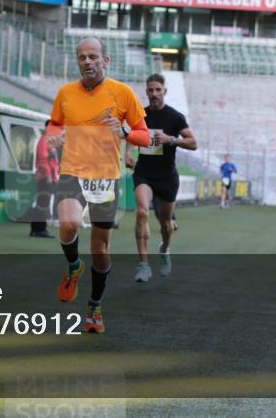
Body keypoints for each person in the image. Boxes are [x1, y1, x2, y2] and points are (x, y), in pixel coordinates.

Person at [46, 37, 150, 334]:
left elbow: (144, 136)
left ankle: (94, 306)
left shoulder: (122, 93)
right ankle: (74, 265)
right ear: (77, 62)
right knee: (68, 224)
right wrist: (53, 134)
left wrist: (125, 131)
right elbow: (54, 123)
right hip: (72, 172)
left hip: (105, 177)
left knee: (101, 249)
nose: (87, 62)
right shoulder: (66, 93)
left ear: (105, 61)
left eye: (93, 57)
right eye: (82, 57)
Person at [126, 74, 197, 282]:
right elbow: (132, 135)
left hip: (166, 177)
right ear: (146, 92)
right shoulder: (140, 115)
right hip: (144, 173)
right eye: (151, 90)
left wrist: (171, 139)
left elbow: (193, 143)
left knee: (166, 223)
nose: (154, 94)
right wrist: (128, 153)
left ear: (164, 91)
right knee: (141, 211)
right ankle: (144, 265)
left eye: (158, 90)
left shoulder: (175, 117)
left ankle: (164, 250)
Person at [30, 120, 58, 238]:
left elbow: (52, 161)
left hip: (49, 177)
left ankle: (36, 229)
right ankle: (40, 229)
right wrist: (48, 176)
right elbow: (42, 159)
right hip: (45, 177)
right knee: (43, 203)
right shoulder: (45, 140)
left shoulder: (50, 141)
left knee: (42, 203)